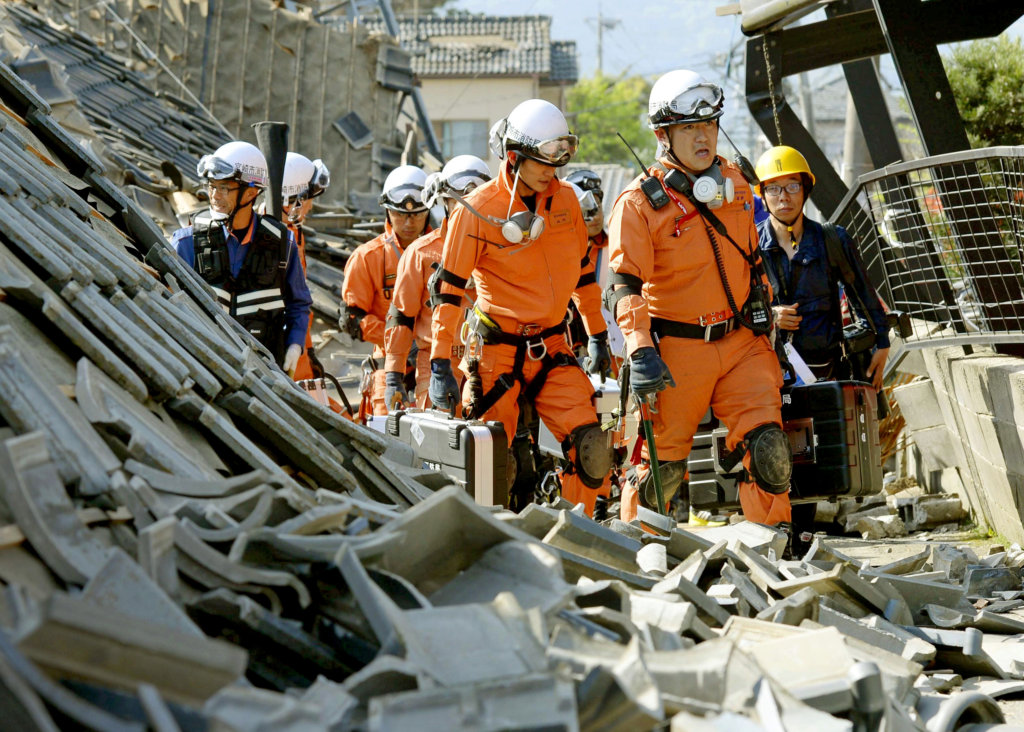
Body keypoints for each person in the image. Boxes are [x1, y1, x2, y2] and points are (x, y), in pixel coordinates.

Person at [606, 69, 793, 534]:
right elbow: (623, 285)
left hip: (741, 342)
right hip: (677, 350)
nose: (703, 136)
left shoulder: (733, 180)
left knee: (770, 450)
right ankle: (635, 557)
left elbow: (752, 257)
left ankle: (776, 555)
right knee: (660, 470)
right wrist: (640, 349)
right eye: (689, 128)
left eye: (709, 125)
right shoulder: (637, 204)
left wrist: (763, 311)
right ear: (662, 135)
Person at [429, 98, 613, 513]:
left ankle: (573, 537)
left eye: (560, 158)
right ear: (514, 158)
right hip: (495, 352)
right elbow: (450, 290)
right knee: (487, 463)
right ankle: (490, 542)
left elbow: (584, 274)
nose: (555, 169)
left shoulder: (566, 201)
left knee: (592, 450)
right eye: (545, 160)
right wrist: (441, 363)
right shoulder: (477, 211)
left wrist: (597, 333)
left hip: (552, 348)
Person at [755, 145, 890, 389]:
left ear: (805, 191)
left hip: (827, 374)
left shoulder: (832, 239)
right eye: (773, 188)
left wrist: (882, 342)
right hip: (770, 376)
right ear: (763, 196)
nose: (783, 196)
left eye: (793, 186)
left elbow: (862, 294)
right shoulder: (749, 247)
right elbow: (734, 308)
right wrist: (771, 316)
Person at [172, 140, 312, 374]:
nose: (215, 195)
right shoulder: (186, 243)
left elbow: (298, 303)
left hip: (266, 375)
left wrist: (295, 345)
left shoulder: (283, 245)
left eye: (224, 187)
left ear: (250, 192)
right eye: (211, 186)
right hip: (206, 372)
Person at [383, 156, 491, 410]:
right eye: (459, 201)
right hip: (436, 365)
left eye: (476, 200)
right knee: (441, 444)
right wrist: (393, 376)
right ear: (445, 202)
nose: (468, 209)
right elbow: (401, 317)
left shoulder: (503, 249)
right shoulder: (421, 253)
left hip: (492, 362)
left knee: (495, 442)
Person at [341, 165, 430, 416]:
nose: (408, 222)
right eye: (400, 214)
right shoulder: (367, 257)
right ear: (388, 211)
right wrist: (401, 342)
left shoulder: (447, 252)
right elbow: (352, 319)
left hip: (439, 368)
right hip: (389, 372)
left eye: (417, 215)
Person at [279, 152, 330, 382]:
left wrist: (307, 351)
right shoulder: (273, 237)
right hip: (279, 347)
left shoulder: (294, 232)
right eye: (309, 199)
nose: (309, 208)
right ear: (293, 199)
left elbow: (299, 302)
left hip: (296, 345)